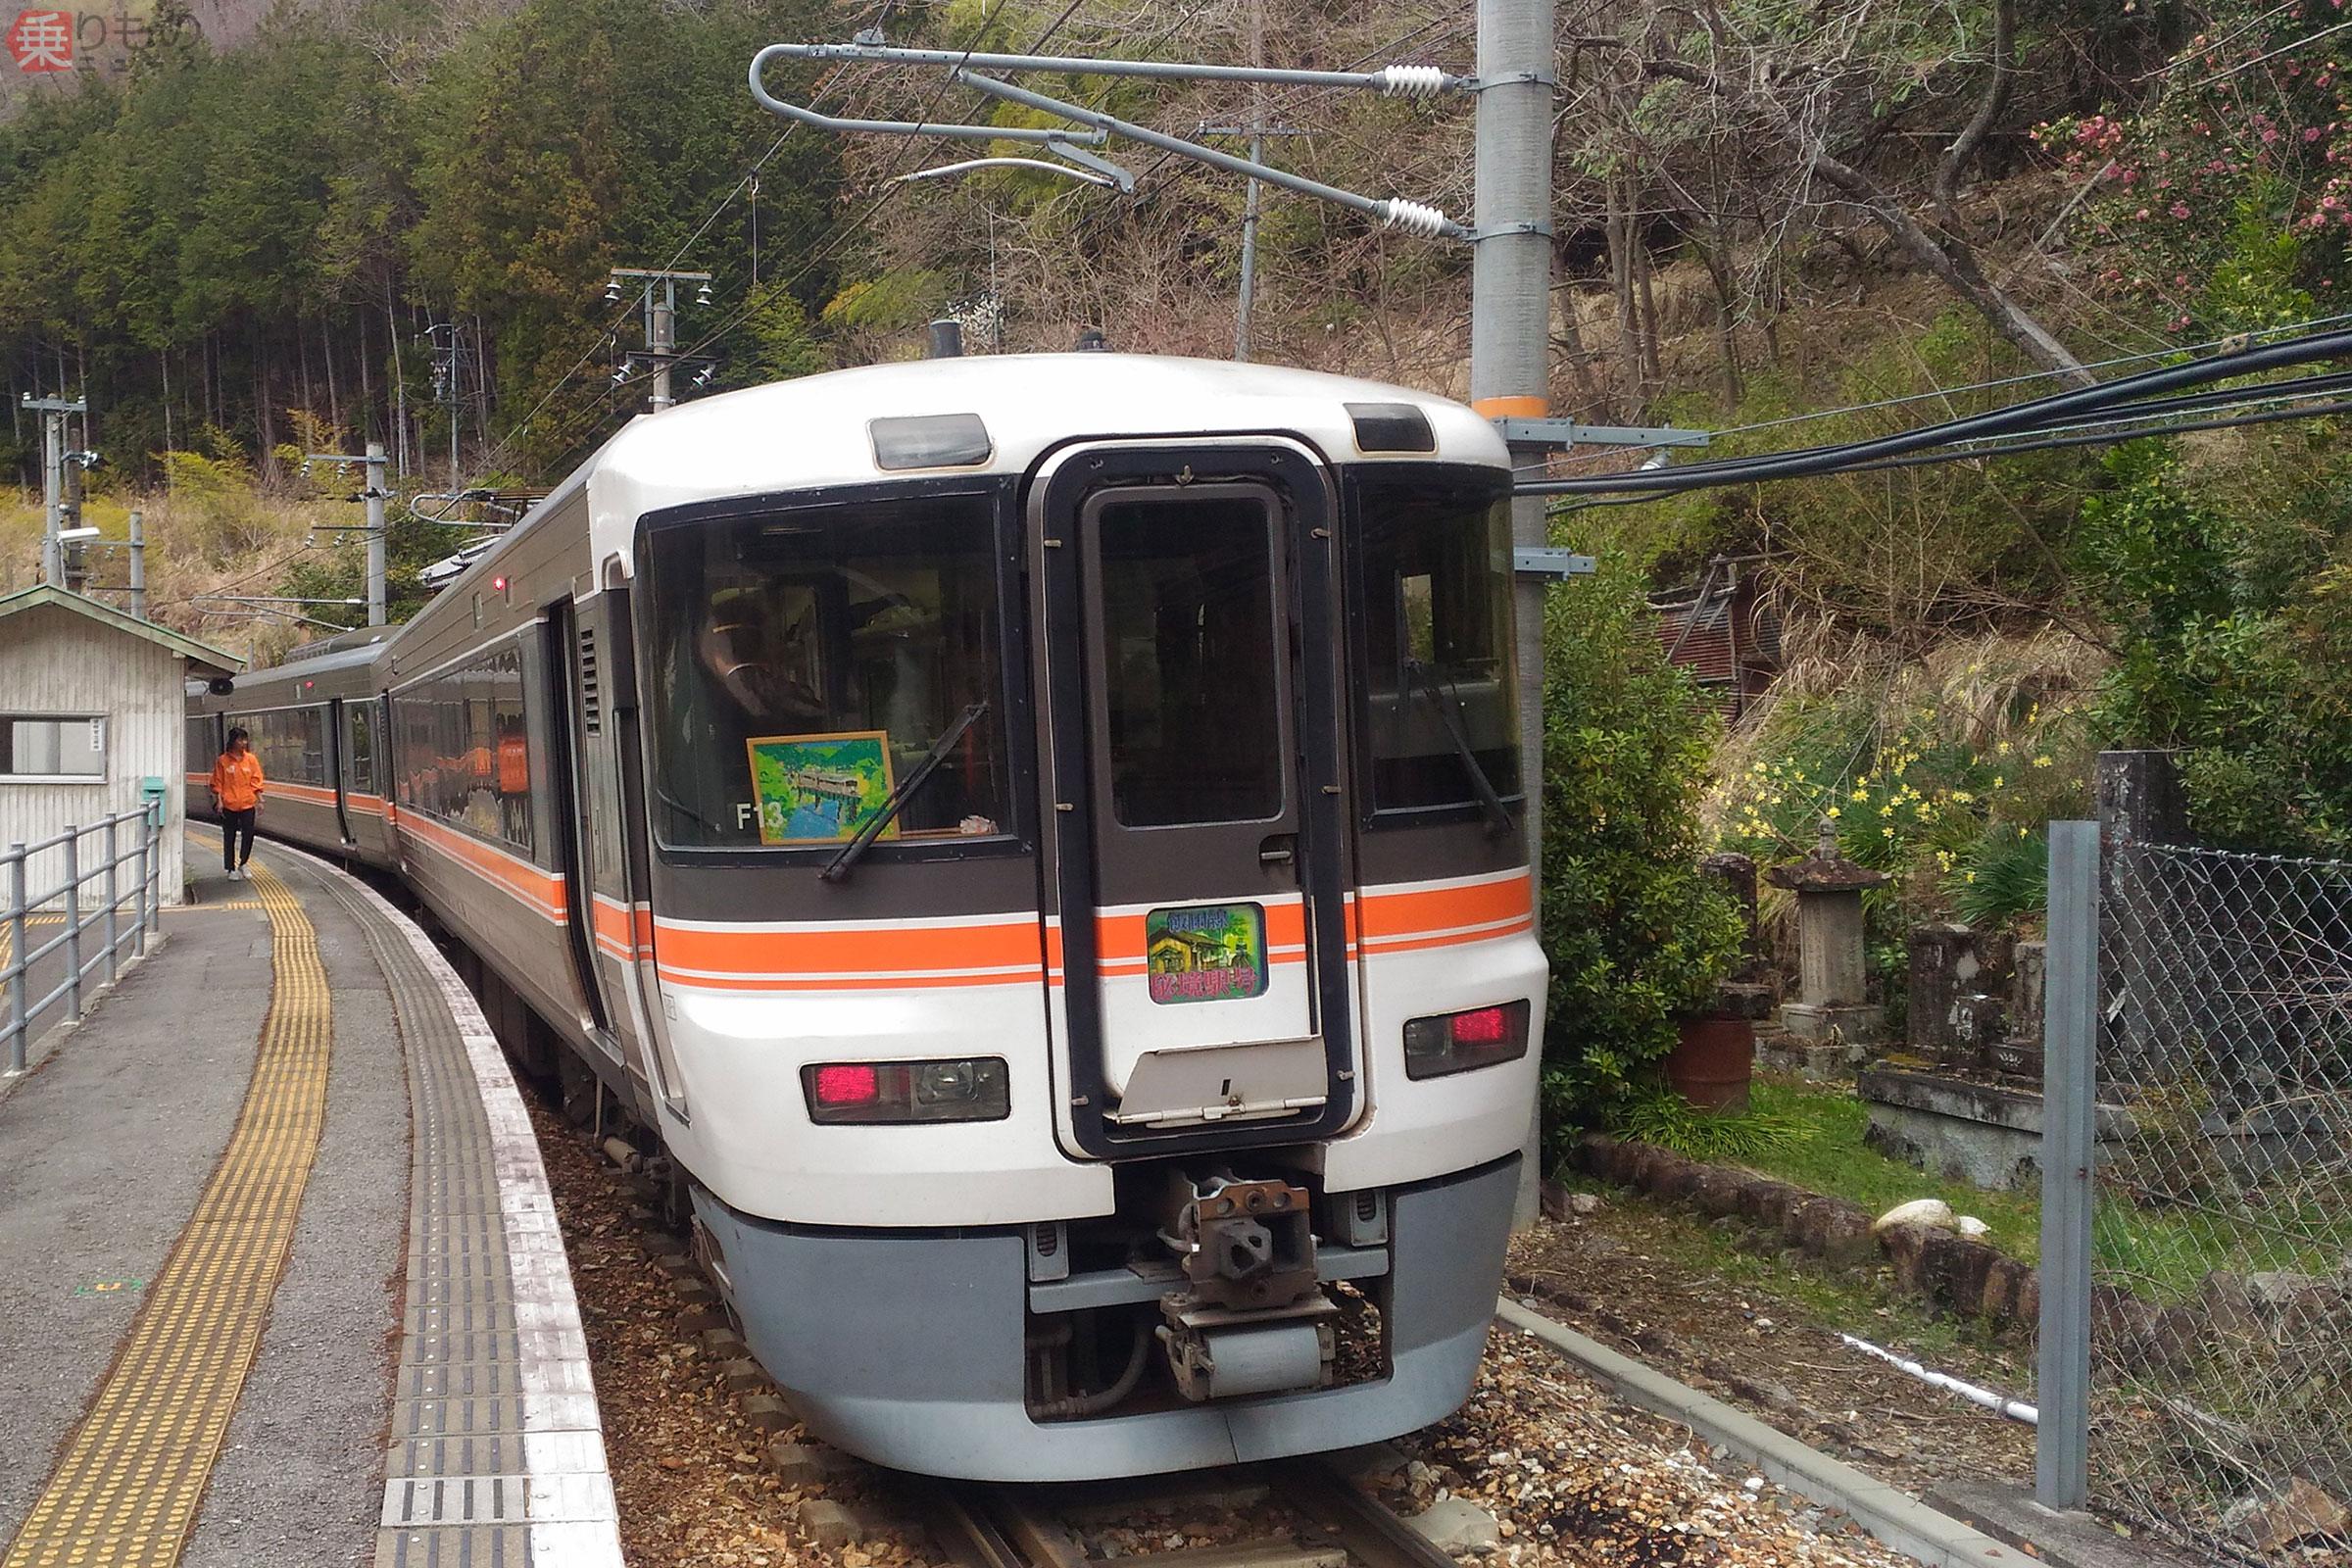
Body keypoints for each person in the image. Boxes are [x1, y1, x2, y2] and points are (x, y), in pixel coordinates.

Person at [210, 727, 266, 880]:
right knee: (229, 836)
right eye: (240, 740)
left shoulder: (251, 760)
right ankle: (230, 868)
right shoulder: (223, 761)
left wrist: (260, 799)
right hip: (229, 804)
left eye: (245, 739)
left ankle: (244, 862)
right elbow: (218, 782)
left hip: (247, 803)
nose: (243, 743)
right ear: (233, 741)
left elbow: (256, 780)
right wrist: (219, 801)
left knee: (249, 833)